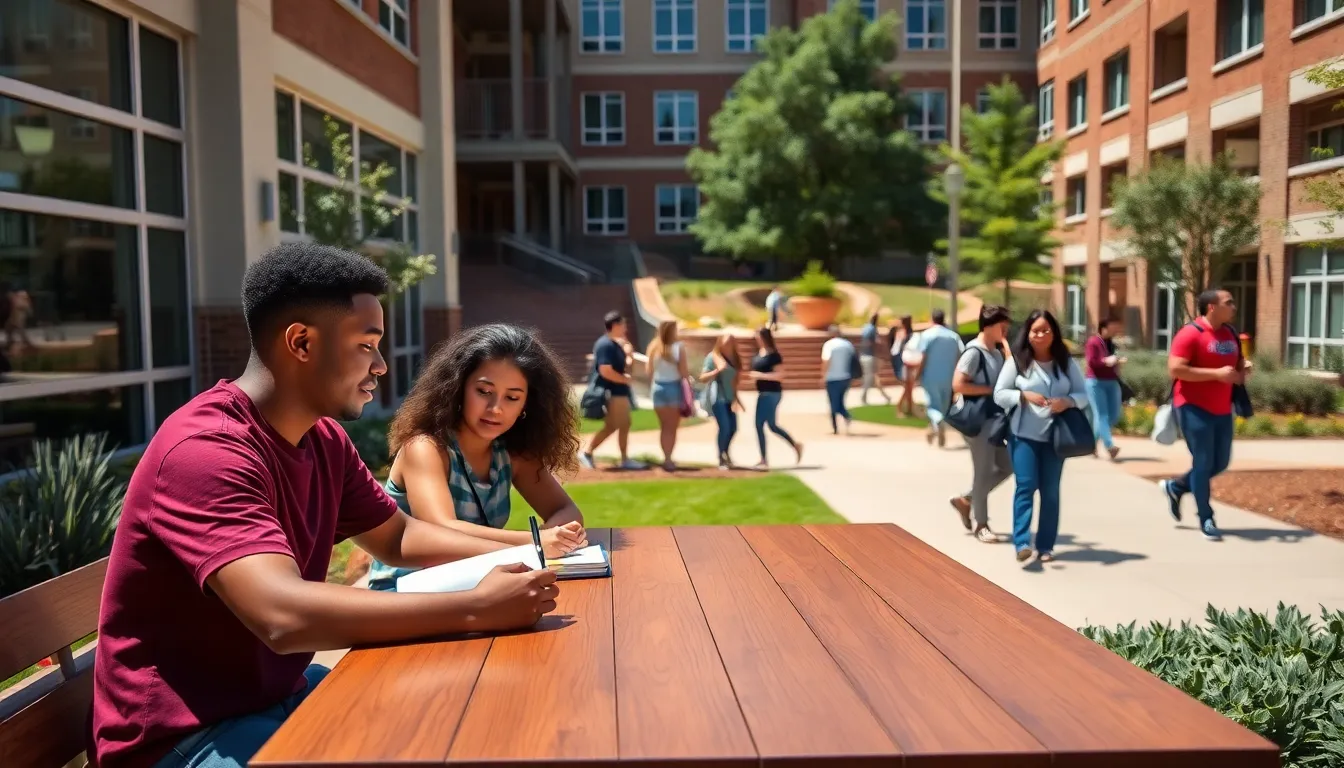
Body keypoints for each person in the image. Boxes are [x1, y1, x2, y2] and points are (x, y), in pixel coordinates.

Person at [90, 243, 559, 768]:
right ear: (302, 342)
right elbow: (283, 615)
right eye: (367, 344)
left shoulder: (322, 439)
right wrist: (475, 607)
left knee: (457, 726)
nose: (381, 365)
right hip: (185, 738)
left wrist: (528, 554)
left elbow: (399, 537)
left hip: (274, 695)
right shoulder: (205, 451)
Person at [365, 323, 589, 592]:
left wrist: (557, 537)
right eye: (484, 392)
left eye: (512, 397)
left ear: (527, 405)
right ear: (458, 387)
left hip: (472, 585)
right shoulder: (425, 447)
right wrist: (536, 542)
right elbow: (440, 529)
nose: (495, 409)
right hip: (405, 590)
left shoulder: (514, 453)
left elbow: (567, 512)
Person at [993, 308, 1089, 564]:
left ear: (1054, 333)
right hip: (1023, 435)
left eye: (1046, 330)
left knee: (1050, 491)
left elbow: (1083, 395)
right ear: (1028, 333)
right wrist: (1023, 396)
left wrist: (1067, 401)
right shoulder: (1017, 361)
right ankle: (1022, 542)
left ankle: (1046, 546)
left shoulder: (1066, 362)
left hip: (1056, 438)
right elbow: (999, 393)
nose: (1040, 335)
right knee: (1025, 486)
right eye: (1036, 330)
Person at [1159, 288, 1250, 542]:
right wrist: (1216, 374)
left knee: (1220, 462)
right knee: (1203, 461)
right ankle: (1206, 517)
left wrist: (1242, 371)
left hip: (1222, 408)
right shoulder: (1191, 333)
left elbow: (1236, 368)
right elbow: (1176, 369)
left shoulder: (1230, 333)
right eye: (1228, 302)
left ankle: (1176, 487)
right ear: (1212, 307)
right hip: (1192, 406)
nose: (1234, 307)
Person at [948, 305, 1014, 542]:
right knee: (983, 472)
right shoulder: (974, 352)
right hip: (979, 422)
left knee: (1008, 466)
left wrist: (1007, 353)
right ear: (989, 326)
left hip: (994, 422)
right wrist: (990, 390)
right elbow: (958, 384)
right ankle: (981, 525)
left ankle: (966, 500)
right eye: (1002, 326)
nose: (1006, 331)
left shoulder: (995, 352)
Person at [579, 310, 644, 470]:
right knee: (614, 425)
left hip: (619, 391)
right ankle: (587, 452)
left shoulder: (614, 343)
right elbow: (605, 370)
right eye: (622, 324)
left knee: (624, 424)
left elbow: (624, 363)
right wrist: (625, 379)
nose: (625, 328)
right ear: (614, 325)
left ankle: (624, 458)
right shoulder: (605, 344)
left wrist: (628, 352)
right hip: (613, 392)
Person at [749, 327, 803, 468]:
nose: (757, 339)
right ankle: (795, 445)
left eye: (759, 336)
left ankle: (764, 459)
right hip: (762, 393)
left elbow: (780, 376)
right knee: (771, 426)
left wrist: (760, 376)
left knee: (759, 425)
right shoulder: (758, 355)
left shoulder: (774, 356)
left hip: (772, 393)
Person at [914, 309, 965, 447]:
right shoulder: (953, 336)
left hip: (931, 376)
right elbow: (960, 356)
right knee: (942, 405)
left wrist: (917, 375)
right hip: (948, 377)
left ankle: (937, 423)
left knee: (932, 405)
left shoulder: (927, 335)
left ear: (932, 319)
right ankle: (936, 427)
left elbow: (923, 357)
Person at [646, 319, 690, 471]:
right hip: (673, 387)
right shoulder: (679, 347)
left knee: (664, 426)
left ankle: (666, 456)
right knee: (672, 427)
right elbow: (684, 372)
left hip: (657, 387)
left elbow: (648, 371)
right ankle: (668, 459)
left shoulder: (653, 347)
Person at [698, 333, 745, 469]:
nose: (728, 345)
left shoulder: (735, 358)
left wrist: (738, 398)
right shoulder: (713, 357)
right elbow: (702, 377)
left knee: (733, 428)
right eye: (726, 343)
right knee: (724, 427)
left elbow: (736, 380)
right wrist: (717, 371)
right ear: (720, 343)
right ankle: (721, 458)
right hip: (717, 397)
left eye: (731, 342)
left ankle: (726, 452)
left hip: (730, 397)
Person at [1084, 319, 1127, 461]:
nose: (1114, 331)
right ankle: (1110, 446)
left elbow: (1113, 359)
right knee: (1101, 415)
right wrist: (1106, 361)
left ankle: (1091, 445)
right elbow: (1092, 362)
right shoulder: (1093, 342)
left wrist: (1117, 362)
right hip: (1096, 382)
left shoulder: (1111, 343)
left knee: (1114, 414)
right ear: (1102, 328)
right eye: (1111, 328)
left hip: (1111, 381)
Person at [820, 324, 855, 435]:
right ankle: (845, 417)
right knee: (840, 401)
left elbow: (826, 361)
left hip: (832, 377)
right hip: (845, 377)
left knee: (833, 403)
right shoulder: (848, 345)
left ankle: (837, 425)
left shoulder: (829, 345)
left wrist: (823, 376)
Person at [859, 311, 892, 406]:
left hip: (863, 355)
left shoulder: (865, 328)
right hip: (870, 356)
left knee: (874, 378)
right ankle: (863, 397)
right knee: (869, 378)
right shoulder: (872, 329)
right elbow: (875, 342)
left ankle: (886, 397)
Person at [888, 315, 916, 416]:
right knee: (908, 385)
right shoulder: (904, 333)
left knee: (909, 385)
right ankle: (900, 407)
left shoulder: (904, 333)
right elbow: (899, 349)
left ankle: (909, 408)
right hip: (903, 361)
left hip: (904, 360)